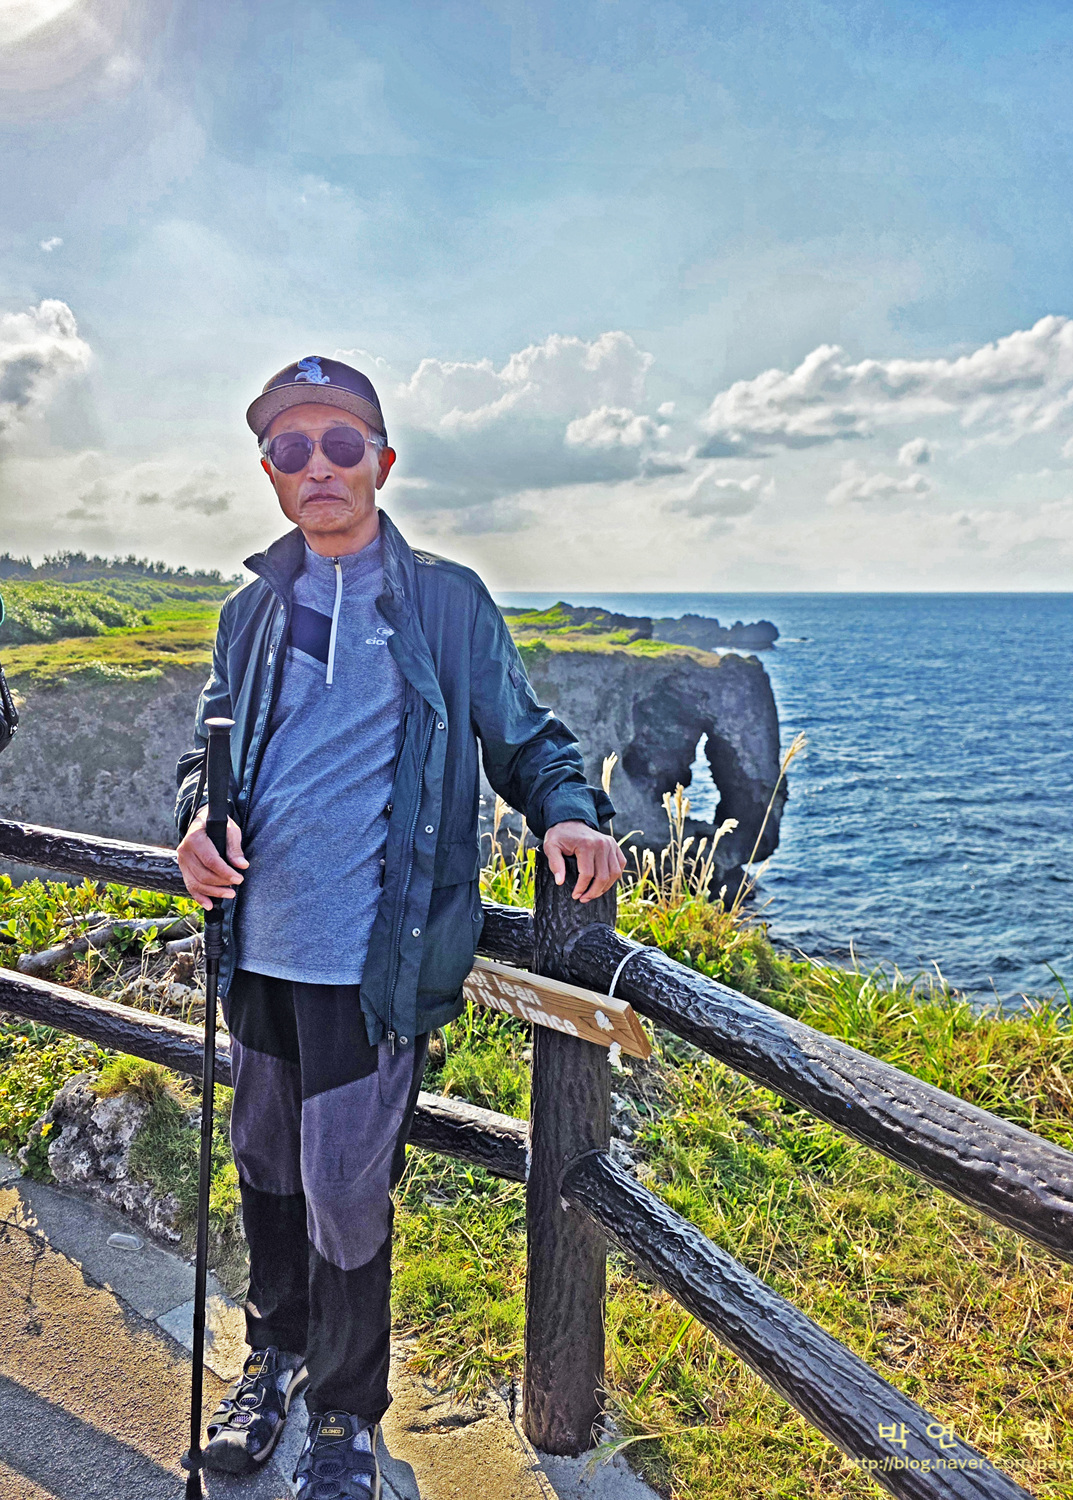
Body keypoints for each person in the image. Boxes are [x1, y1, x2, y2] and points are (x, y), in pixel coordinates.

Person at [173, 355, 626, 1497]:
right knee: (265, 1166)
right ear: (269, 472)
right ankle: (275, 1358)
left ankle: (344, 1417)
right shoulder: (248, 614)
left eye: (339, 445)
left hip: (371, 968)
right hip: (254, 952)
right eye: (291, 449)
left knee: (342, 1190)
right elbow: (205, 759)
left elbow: (527, 739)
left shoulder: (443, 601)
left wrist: (569, 815)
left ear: (381, 461)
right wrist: (193, 825)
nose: (316, 467)